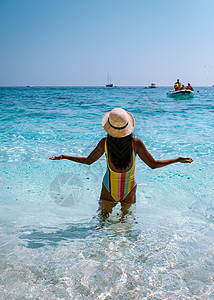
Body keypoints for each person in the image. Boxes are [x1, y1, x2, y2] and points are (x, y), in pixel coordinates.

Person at [50, 108, 193, 223]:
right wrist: (177, 159)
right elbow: (153, 165)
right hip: (129, 188)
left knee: (101, 224)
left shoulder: (104, 143)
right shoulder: (136, 143)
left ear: (109, 127)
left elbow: (88, 161)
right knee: (127, 225)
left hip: (108, 188)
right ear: (127, 126)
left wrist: (65, 157)